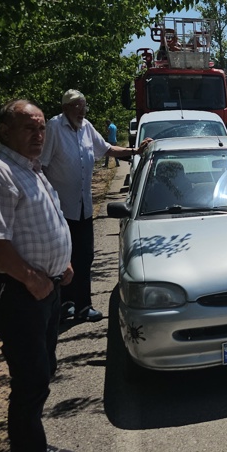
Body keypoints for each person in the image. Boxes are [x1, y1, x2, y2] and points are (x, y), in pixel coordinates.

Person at [0, 99, 76, 452]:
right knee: (29, 382)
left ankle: (36, 447)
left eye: (42, 128)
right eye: (29, 128)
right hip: (21, 294)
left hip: (47, 288)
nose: (38, 135)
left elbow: (50, 219)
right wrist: (31, 277)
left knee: (42, 375)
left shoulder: (31, 170)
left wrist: (63, 263)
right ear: (5, 130)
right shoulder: (1, 173)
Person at [41, 89, 151, 323]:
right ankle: (64, 305)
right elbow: (41, 165)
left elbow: (108, 149)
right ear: (66, 108)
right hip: (59, 209)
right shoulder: (54, 128)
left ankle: (83, 306)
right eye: (78, 107)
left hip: (83, 206)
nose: (82, 111)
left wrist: (135, 151)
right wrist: (42, 200)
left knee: (85, 257)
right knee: (62, 258)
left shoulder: (86, 127)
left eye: (84, 107)